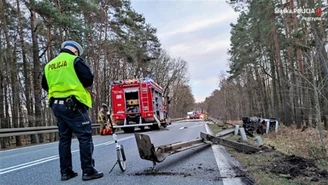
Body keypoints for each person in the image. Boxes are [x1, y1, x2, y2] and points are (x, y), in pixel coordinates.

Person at [41, 40, 104, 181]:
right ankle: (88, 171)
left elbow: (45, 85)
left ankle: (65, 172)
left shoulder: (49, 65)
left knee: (64, 139)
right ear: (75, 51)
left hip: (56, 106)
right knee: (85, 137)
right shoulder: (74, 60)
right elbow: (88, 78)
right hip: (73, 105)